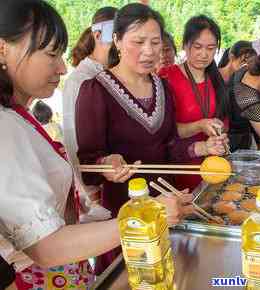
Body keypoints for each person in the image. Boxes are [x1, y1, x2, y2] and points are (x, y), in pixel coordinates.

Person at [76, 4, 227, 274]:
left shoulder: (162, 87)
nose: (149, 51)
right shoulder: (95, 90)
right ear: (118, 41)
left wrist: (203, 146)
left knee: (168, 273)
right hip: (125, 207)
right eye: (138, 41)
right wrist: (107, 163)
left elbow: (169, 146)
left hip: (167, 202)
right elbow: (88, 165)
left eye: (155, 42)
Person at [0, 1, 125, 288]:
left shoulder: (18, 114)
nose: (62, 66)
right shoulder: (4, 126)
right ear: (3, 48)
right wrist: (141, 220)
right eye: (51, 54)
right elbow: (46, 247)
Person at [159, 15, 228, 191]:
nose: (204, 54)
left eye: (211, 48)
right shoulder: (166, 78)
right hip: (180, 169)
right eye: (197, 47)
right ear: (184, 45)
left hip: (213, 169)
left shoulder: (216, 79)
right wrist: (200, 125)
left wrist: (220, 133)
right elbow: (165, 132)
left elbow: (223, 120)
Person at [63, 7, 117, 222]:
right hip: (98, 185)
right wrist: (90, 189)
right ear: (97, 35)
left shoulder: (114, 74)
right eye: (116, 37)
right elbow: (72, 139)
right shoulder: (79, 80)